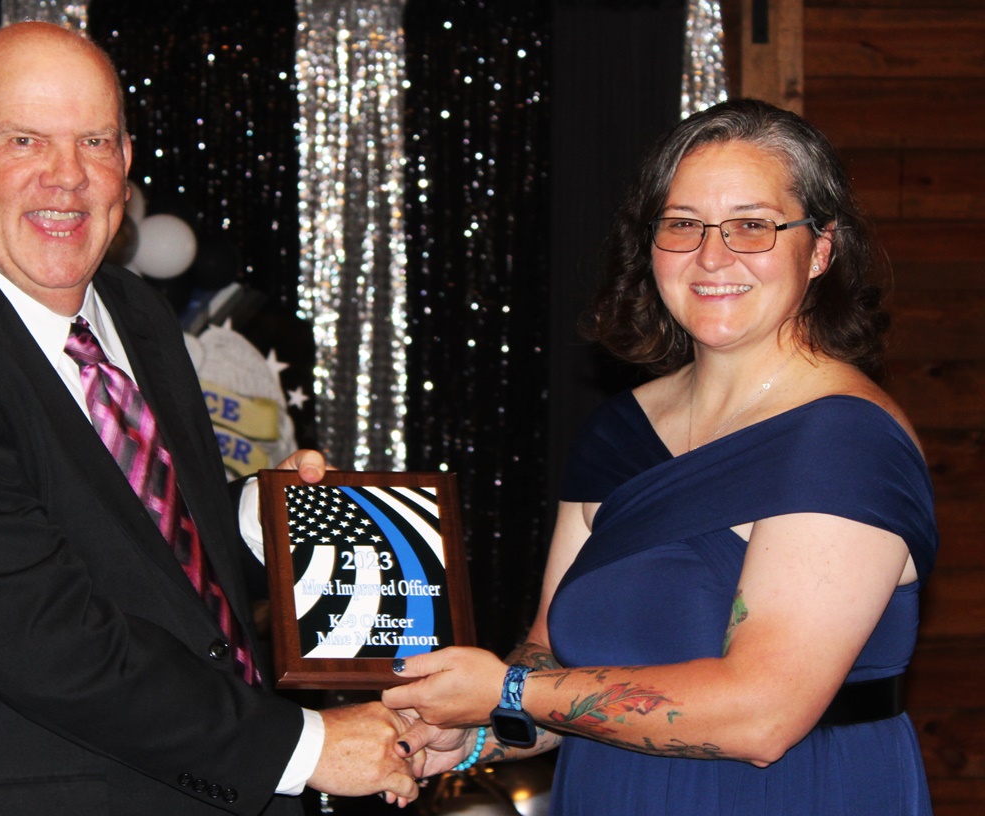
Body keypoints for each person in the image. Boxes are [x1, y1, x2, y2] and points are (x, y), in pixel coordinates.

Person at [0, 22, 422, 816]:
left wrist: (255, 516)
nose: (67, 177)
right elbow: (49, 642)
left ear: (125, 162)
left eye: (94, 142)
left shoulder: (132, 312)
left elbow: (132, 534)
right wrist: (303, 747)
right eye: (25, 141)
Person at [385, 99, 938, 814]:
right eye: (682, 224)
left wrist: (507, 691)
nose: (712, 255)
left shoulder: (845, 440)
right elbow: (553, 657)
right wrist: (474, 735)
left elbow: (763, 715)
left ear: (821, 248)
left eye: (752, 225)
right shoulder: (619, 431)